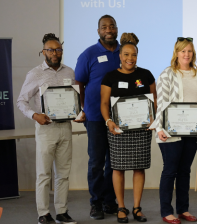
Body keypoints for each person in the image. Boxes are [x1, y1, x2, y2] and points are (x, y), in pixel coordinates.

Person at [17, 33, 78, 224]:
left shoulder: (70, 72)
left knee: (63, 174)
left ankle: (62, 211)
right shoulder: (35, 74)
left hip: (65, 128)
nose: (55, 53)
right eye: (50, 50)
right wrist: (35, 115)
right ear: (43, 51)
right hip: (46, 129)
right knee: (44, 174)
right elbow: (21, 101)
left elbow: (73, 99)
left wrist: (78, 111)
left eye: (58, 49)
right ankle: (43, 214)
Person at [100, 33, 156, 223]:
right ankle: (121, 207)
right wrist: (108, 121)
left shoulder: (146, 74)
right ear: (120, 56)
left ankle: (137, 208)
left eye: (133, 55)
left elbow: (153, 101)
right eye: (126, 55)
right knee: (118, 168)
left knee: (139, 168)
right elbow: (104, 103)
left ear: (137, 56)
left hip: (141, 130)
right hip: (118, 130)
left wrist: (153, 119)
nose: (129, 59)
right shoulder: (110, 77)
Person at [154, 37, 197, 224]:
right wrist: (159, 128)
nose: (186, 54)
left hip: (192, 131)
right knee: (170, 170)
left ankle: (183, 210)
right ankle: (166, 211)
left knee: (185, 171)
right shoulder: (167, 74)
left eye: (190, 51)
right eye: (183, 51)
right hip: (170, 132)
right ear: (176, 53)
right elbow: (161, 103)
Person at [75, 14, 119, 219]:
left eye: (111, 26)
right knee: (96, 162)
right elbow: (79, 83)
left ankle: (110, 202)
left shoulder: (124, 52)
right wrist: (83, 107)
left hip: (119, 117)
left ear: (116, 29)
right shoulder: (88, 54)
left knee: (114, 162)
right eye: (104, 27)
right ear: (98, 31)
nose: (108, 30)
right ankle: (96, 203)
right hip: (94, 117)